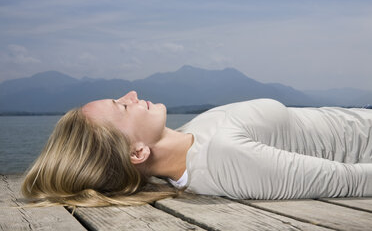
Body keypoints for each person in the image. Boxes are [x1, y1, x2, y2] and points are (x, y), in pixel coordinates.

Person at [22, 90, 372, 207]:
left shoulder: (188, 138)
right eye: (123, 107)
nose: (131, 94)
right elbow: (352, 181)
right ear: (137, 153)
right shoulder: (227, 160)